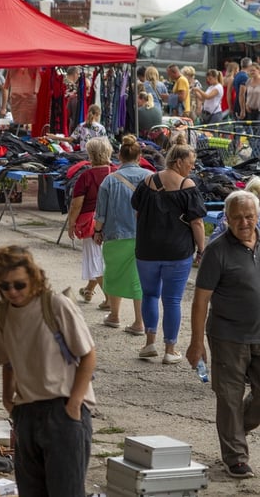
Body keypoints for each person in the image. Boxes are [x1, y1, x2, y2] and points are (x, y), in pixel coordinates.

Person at [0, 245, 95, 497]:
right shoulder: (2, 313)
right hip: (26, 412)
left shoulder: (55, 305)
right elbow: (8, 362)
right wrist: (8, 400)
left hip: (62, 410)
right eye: (4, 286)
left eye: (19, 285)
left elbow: (88, 355)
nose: (12, 291)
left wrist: (74, 405)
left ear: (34, 277)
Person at [186, 190, 260, 479]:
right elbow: (201, 300)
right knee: (229, 397)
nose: (244, 222)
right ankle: (235, 457)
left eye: (249, 216)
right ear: (226, 218)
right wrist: (196, 343)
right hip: (228, 335)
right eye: (237, 217)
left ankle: (234, 429)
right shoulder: (217, 251)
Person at [131, 137, 206, 364]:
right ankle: (170, 350)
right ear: (179, 161)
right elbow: (197, 222)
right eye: (190, 163)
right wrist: (201, 249)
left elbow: (136, 208)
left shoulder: (147, 181)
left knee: (150, 295)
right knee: (172, 300)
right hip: (177, 251)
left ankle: (149, 344)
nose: (192, 167)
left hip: (147, 250)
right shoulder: (187, 186)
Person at [94, 135, 150, 335]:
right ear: (140, 157)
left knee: (113, 273)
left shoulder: (109, 180)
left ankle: (114, 315)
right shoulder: (150, 178)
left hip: (115, 234)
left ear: (119, 156)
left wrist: (97, 231)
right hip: (144, 235)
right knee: (139, 278)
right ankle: (139, 322)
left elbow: (101, 213)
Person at [67, 137, 114, 307]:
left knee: (95, 261)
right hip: (114, 220)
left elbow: (76, 204)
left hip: (91, 222)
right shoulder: (115, 172)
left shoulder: (86, 176)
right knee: (103, 259)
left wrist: (71, 224)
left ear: (90, 155)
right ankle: (89, 289)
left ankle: (109, 300)